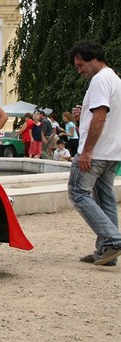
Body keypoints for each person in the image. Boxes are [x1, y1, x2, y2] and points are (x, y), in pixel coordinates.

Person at [67, 40, 121, 266]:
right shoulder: (115, 79)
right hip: (112, 151)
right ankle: (105, 252)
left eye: (80, 65)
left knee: (77, 192)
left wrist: (87, 151)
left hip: (96, 151)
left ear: (93, 59)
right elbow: (104, 114)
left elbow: (100, 116)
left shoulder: (99, 80)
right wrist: (84, 114)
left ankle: (113, 239)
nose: (79, 70)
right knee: (104, 196)